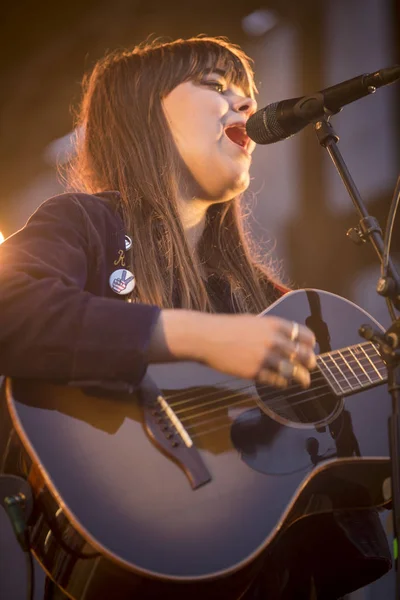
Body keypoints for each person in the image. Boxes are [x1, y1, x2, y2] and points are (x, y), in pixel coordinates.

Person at [0, 36, 391, 600]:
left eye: (249, 94)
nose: (246, 105)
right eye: (215, 86)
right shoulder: (87, 225)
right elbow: (11, 309)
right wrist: (198, 337)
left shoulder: (266, 300)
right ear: (142, 112)